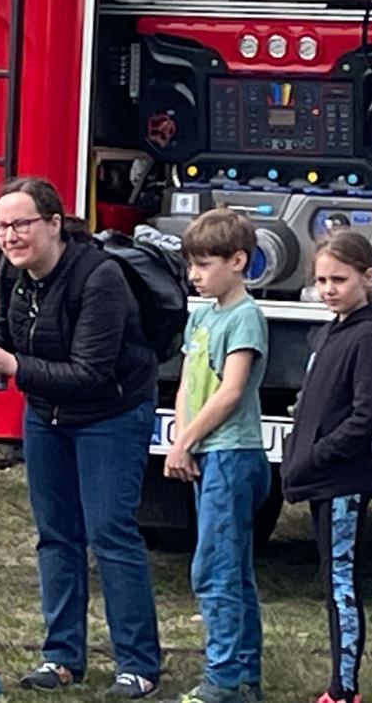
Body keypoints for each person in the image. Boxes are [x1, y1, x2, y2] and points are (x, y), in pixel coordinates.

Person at [0, 177, 162, 698]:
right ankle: (61, 657)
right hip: (47, 415)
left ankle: (137, 665)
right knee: (55, 534)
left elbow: (90, 374)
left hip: (112, 413)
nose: (9, 236)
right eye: (1, 226)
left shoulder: (99, 278)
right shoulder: (15, 272)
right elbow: (7, 331)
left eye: (21, 224)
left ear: (54, 224)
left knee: (110, 533)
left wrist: (10, 365)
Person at [282, 230, 372, 703]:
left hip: (343, 480)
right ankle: (339, 684)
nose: (328, 289)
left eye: (339, 279)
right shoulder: (333, 328)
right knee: (332, 579)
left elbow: (366, 416)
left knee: (342, 582)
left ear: (367, 277)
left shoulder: (368, 335)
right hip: (320, 475)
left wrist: (320, 453)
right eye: (321, 280)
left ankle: (344, 689)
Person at [164, 208, 270, 703]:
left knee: (217, 570)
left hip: (233, 454)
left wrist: (189, 441)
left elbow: (230, 392)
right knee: (227, 566)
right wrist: (181, 438)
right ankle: (243, 675)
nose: (194, 276)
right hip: (206, 450)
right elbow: (189, 382)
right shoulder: (201, 315)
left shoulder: (246, 316)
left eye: (204, 265)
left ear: (238, 261)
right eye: (191, 265)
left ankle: (225, 677)